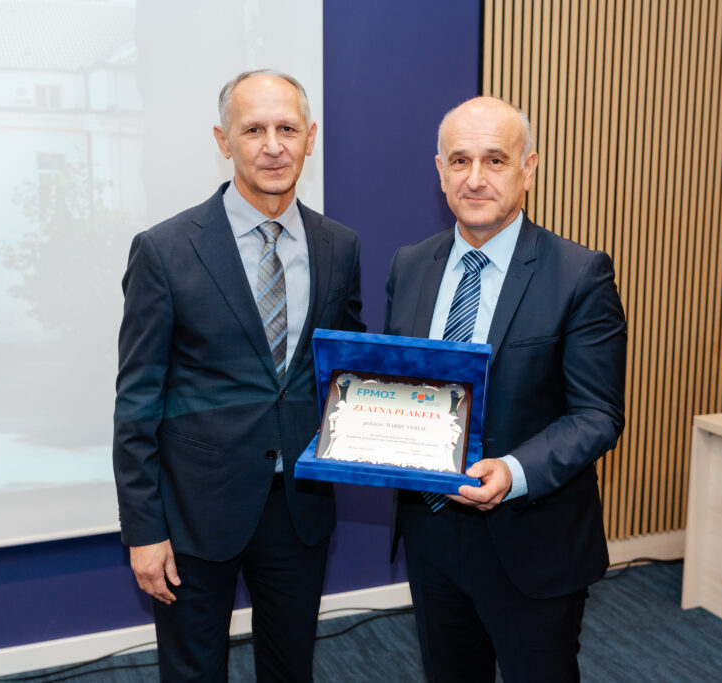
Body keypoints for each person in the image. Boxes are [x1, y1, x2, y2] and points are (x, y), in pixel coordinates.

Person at [113, 69, 364, 682]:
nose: (273, 146)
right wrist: (143, 530)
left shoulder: (340, 246)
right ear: (224, 141)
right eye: (253, 130)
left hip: (299, 509)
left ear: (310, 137)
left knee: (290, 667)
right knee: (194, 673)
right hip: (196, 513)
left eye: (287, 129)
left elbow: (345, 373)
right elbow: (137, 401)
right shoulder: (165, 250)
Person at [384, 96, 626, 682]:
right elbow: (398, 386)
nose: (475, 178)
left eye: (494, 160)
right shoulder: (410, 264)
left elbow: (597, 415)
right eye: (459, 161)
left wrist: (513, 472)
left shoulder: (580, 274)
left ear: (528, 167)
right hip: (431, 534)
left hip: (531, 540)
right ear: (440, 170)